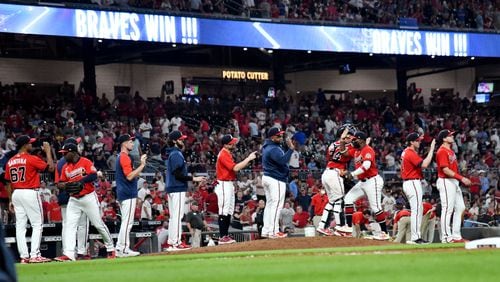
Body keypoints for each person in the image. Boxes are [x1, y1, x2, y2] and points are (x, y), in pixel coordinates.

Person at [54, 143, 115, 261]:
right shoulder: (66, 167)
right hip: (74, 200)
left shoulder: (85, 161)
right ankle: (69, 253)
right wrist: (66, 185)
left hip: (88, 198)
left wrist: (81, 182)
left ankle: (111, 248)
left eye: (66, 153)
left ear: (73, 152)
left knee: (98, 224)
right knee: (70, 226)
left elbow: (93, 175)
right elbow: (60, 183)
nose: (64, 156)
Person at [5, 136, 53, 263]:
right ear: (25, 145)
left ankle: (24, 257)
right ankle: (35, 255)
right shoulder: (31, 159)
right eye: (30, 143)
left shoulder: (10, 161)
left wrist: (10, 199)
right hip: (29, 192)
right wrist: (48, 151)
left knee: (20, 227)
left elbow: (7, 182)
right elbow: (51, 168)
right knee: (37, 224)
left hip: (16, 194)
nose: (31, 145)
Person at [340, 131, 388, 239]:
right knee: (348, 199)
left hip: (372, 181)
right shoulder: (356, 150)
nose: (353, 141)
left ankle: (385, 233)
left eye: (355, 139)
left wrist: (352, 174)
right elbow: (344, 152)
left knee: (376, 207)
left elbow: (366, 165)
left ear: (361, 140)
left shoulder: (368, 150)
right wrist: (342, 141)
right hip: (362, 182)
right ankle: (348, 228)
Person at [165, 130, 206, 251]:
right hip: (177, 187)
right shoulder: (176, 154)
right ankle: (176, 243)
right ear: (174, 141)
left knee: (173, 217)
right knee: (177, 216)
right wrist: (194, 178)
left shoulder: (172, 154)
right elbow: (178, 174)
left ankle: (172, 242)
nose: (183, 141)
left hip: (172, 188)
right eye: (180, 139)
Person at [215, 134, 257, 244]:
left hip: (228, 184)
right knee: (224, 211)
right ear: (225, 145)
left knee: (228, 211)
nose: (234, 144)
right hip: (223, 183)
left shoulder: (227, 153)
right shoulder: (223, 154)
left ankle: (225, 235)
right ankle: (222, 236)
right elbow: (236, 168)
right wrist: (248, 158)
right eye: (231, 143)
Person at [317, 124, 356, 236]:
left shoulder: (332, 144)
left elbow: (329, 158)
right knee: (339, 200)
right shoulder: (350, 147)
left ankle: (322, 226)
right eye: (350, 135)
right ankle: (340, 227)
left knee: (332, 201)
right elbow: (347, 155)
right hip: (336, 172)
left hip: (327, 172)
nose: (352, 138)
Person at [55, 137, 89, 260]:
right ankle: (81, 252)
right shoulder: (77, 160)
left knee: (67, 225)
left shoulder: (59, 162)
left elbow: (57, 183)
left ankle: (67, 251)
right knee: (82, 225)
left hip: (63, 196)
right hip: (77, 196)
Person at [435, 129, 471, 243]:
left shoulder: (450, 151)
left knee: (460, 207)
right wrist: (462, 178)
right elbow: (445, 170)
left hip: (453, 182)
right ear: (444, 139)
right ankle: (446, 237)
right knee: (447, 209)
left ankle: (456, 236)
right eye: (450, 135)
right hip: (446, 181)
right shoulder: (442, 151)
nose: (452, 136)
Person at [115, 134, 147, 257]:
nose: (132, 144)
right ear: (124, 143)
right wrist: (142, 165)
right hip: (127, 193)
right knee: (127, 223)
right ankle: (121, 248)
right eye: (130, 142)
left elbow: (130, 175)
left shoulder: (123, 157)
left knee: (127, 222)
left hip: (125, 192)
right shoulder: (124, 157)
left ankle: (124, 248)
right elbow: (129, 176)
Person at [400, 132, 436, 244]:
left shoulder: (406, 151)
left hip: (409, 182)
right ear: (411, 142)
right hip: (412, 182)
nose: (419, 142)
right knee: (416, 210)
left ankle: (416, 236)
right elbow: (424, 165)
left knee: (418, 209)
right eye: (417, 140)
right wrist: (431, 150)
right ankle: (415, 238)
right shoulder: (410, 152)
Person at [261, 127, 295, 239]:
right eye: (278, 136)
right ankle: (274, 231)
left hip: (268, 177)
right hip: (275, 179)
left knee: (270, 205)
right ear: (272, 137)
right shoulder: (273, 148)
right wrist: (290, 149)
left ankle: (266, 230)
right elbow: (282, 160)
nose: (281, 137)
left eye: (281, 135)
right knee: (276, 206)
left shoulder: (269, 146)